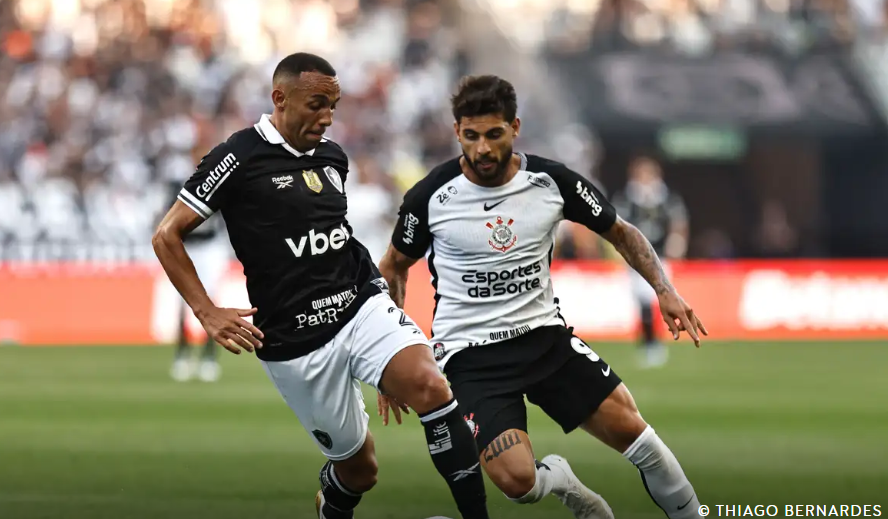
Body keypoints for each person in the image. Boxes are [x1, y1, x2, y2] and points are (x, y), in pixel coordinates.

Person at [152, 53, 491, 519]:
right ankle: (331, 499)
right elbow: (166, 234)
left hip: (358, 304)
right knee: (360, 471)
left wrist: (390, 359)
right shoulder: (238, 156)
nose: (327, 117)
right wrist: (207, 311)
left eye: (333, 105)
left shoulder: (333, 156)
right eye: (316, 104)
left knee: (429, 383)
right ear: (280, 98)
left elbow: (338, 239)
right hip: (296, 339)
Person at [378, 75, 707, 519]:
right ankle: (562, 482)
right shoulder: (430, 196)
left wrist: (664, 290)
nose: (482, 150)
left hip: (545, 341)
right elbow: (394, 267)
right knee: (519, 483)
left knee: (637, 435)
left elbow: (621, 231)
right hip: (472, 359)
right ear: (457, 132)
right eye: (471, 136)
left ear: (515, 127)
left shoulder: (550, 181)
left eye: (494, 135)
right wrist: (391, 357)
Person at [611, 156, 689, 368]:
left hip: (660, 255)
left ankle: (660, 339)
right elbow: (615, 225)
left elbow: (678, 222)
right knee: (642, 300)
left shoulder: (666, 199)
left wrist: (677, 244)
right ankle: (649, 342)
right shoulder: (626, 199)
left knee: (660, 297)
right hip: (636, 258)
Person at [163, 179, 228, 382]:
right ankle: (183, 352)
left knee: (209, 300)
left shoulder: (219, 181)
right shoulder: (178, 186)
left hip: (209, 247)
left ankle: (209, 355)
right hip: (187, 246)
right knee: (183, 301)